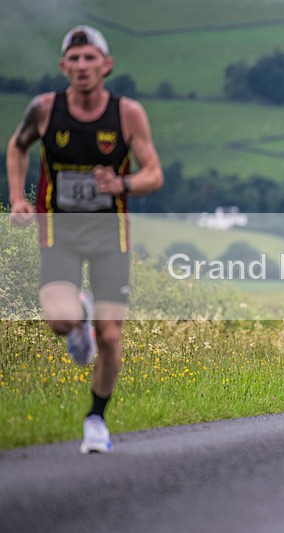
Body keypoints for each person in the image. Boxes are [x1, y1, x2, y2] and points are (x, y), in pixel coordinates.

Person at [6, 25, 163, 453]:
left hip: (111, 237)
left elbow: (153, 174)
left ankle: (96, 419)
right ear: (63, 66)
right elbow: (17, 147)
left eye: (90, 58)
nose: (82, 66)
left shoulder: (127, 114)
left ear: (106, 65)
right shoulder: (44, 109)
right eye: (73, 59)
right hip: (59, 232)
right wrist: (18, 198)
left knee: (110, 337)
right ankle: (80, 318)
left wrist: (122, 184)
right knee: (60, 322)